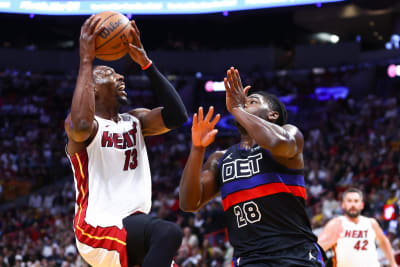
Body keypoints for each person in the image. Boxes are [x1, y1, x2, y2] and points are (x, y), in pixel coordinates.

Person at [64, 15, 187, 267]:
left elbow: (177, 116)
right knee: (169, 233)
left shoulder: (135, 120)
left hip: (135, 228)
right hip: (97, 227)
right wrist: (87, 61)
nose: (120, 77)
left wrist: (146, 63)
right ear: (92, 87)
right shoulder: (88, 130)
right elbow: (80, 125)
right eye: (110, 73)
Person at [179, 67, 325, 266]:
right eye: (243, 103)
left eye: (252, 101)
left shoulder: (290, 133)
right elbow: (189, 202)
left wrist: (237, 109)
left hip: (295, 254)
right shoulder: (220, 158)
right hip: (249, 259)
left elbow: (276, 143)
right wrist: (197, 149)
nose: (244, 103)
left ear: (272, 115)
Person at [318, 187, 398, 267]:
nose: (353, 205)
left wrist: (393, 263)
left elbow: (384, 242)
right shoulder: (336, 223)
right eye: (349, 201)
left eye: (356, 201)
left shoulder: (371, 223)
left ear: (362, 205)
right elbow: (319, 247)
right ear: (343, 205)